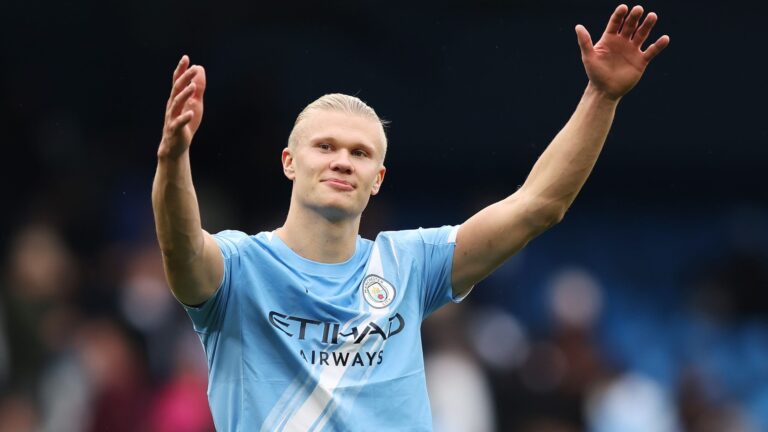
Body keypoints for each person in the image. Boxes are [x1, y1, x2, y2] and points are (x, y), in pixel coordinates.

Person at [152, 4, 669, 431]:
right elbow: (181, 247)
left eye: (359, 153)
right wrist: (173, 159)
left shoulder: (410, 264)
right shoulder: (240, 267)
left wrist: (601, 97)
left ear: (377, 178)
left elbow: (538, 206)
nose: (342, 161)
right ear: (289, 161)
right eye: (325, 146)